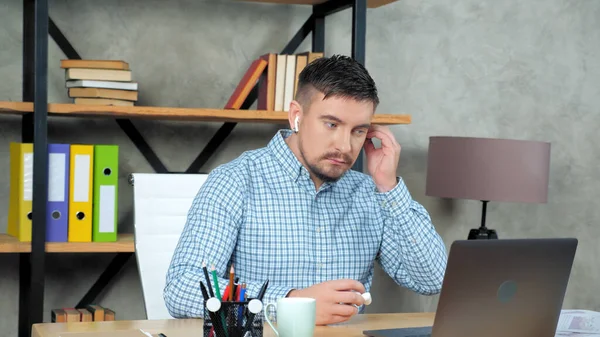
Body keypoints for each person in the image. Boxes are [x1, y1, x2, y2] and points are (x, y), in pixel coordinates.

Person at [163, 54, 448, 326]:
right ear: (296, 116)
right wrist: (291, 303)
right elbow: (182, 288)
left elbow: (432, 280)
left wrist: (389, 186)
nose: (345, 146)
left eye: (358, 131)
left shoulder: (370, 192)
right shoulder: (235, 181)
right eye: (331, 124)